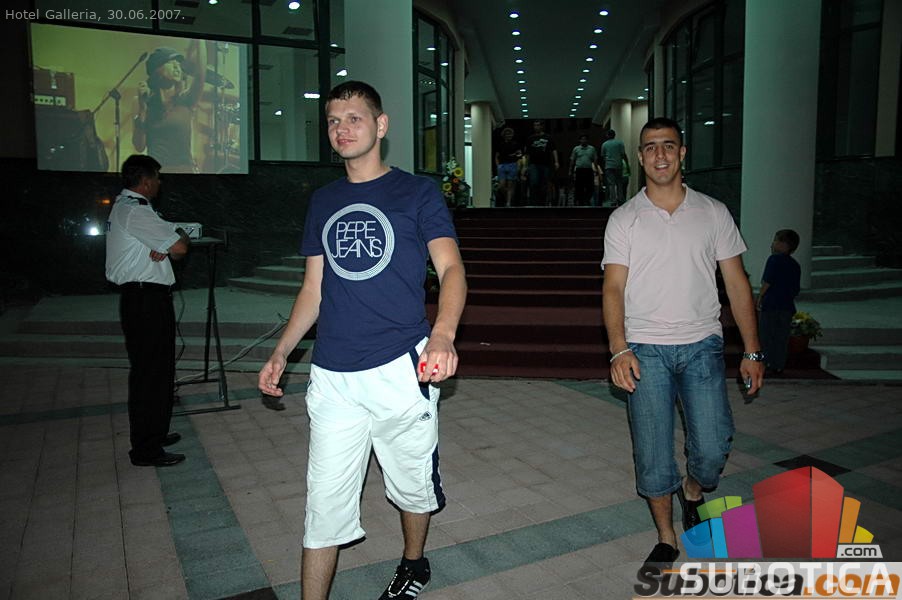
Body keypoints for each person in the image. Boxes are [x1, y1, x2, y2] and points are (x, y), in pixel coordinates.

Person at [257, 81, 467, 600]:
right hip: (333, 374)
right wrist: (282, 350)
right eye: (334, 121)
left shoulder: (417, 192)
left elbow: (451, 268)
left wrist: (443, 335)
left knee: (411, 485)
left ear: (381, 125)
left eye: (354, 118)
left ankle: (414, 562)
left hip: (402, 367)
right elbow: (313, 288)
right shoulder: (324, 200)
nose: (342, 129)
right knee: (323, 505)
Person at [602, 117, 765, 568]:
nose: (660, 155)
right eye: (651, 147)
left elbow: (737, 283)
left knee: (711, 448)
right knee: (653, 452)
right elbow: (613, 288)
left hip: (701, 346)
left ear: (682, 153)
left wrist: (752, 350)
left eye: (668, 146)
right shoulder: (625, 219)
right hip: (644, 348)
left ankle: (692, 490)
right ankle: (666, 536)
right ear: (640, 157)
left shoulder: (713, 212)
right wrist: (619, 348)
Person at [106, 154, 190, 467]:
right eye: (157, 177)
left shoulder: (128, 208)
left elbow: (168, 244)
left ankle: (154, 433)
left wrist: (165, 241)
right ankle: (146, 448)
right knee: (150, 374)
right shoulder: (136, 211)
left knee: (155, 370)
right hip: (145, 301)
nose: (159, 183)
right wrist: (177, 235)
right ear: (145, 182)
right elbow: (180, 248)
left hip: (143, 299)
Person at [133, 42, 206, 173]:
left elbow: (200, 76)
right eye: (171, 63)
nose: (177, 67)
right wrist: (142, 109)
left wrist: (201, 40)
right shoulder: (145, 102)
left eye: (178, 64)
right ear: (157, 69)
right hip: (156, 173)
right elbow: (139, 146)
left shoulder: (186, 99)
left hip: (184, 172)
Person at [757, 229, 802, 375]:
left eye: (776, 240)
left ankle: (764, 364)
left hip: (771, 305)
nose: (773, 243)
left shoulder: (774, 260)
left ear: (784, 244)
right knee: (781, 337)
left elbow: (767, 281)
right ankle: (778, 365)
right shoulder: (795, 265)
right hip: (787, 306)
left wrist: (760, 297)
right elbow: (795, 289)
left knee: (766, 336)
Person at [523, 120, 558, 205]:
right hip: (533, 164)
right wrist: (525, 166)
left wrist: (556, 161)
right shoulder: (530, 138)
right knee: (534, 182)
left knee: (544, 183)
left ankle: (543, 202)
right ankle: (534, 202)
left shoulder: (548, 137)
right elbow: (527, 154)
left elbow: (554, 150)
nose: (536, 127)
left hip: (546, 163)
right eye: (535, 125)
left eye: (538, 125)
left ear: (542, 126)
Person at [494, 127, 521, 207]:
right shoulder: (500, 144)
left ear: (512, 135)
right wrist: (498, 166)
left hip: (512, 164)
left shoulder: (515, 144)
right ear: (504, 135)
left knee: (510, 185)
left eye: (510, 134)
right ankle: (507, 197)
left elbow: (519, 155)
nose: (509, 135)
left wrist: (518, 165)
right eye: (507, 134)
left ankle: (508, 203)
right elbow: (496, 156)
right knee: (501, 185)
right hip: (502, 165)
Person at [569, 134, 598, 206]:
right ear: (579, 140)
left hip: (588, 170)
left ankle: (587, 199)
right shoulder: (576, 149)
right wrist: (570, 170)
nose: (583, 140)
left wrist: (596, 169)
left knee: (590, 187)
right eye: (582, 139)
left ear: (587, 140)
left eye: (585, 139)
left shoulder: (592, 148)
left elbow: (595, 160)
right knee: (579, 187)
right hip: (579, 170)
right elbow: (572, 160)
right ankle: (580, 202)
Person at [600, 129, 627, 206]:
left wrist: (604, 164)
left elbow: (603, 156)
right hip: (618, 165)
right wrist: (627, 164)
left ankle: (613, 200)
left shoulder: (604, 144)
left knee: (611, 184)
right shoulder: (620, 143)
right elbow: (623, 154)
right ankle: (620, 199)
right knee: (619, 183)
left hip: (609, 165)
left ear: (607, 135)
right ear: (614, 135)